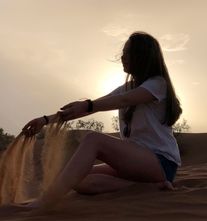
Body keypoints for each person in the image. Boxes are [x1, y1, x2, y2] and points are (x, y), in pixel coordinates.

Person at [21, 31, 182, 208]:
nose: (122, 57)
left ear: (141, 56)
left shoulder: (158, 84)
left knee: (93, 140)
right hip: (135, 162)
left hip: (160, 163)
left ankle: (46, 201)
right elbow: (93, 106)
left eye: (127, 53)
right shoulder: (127, 88)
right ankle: (149, 188)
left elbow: (123, 101)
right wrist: (45, 121)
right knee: (77, 177)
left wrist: (88, 105)